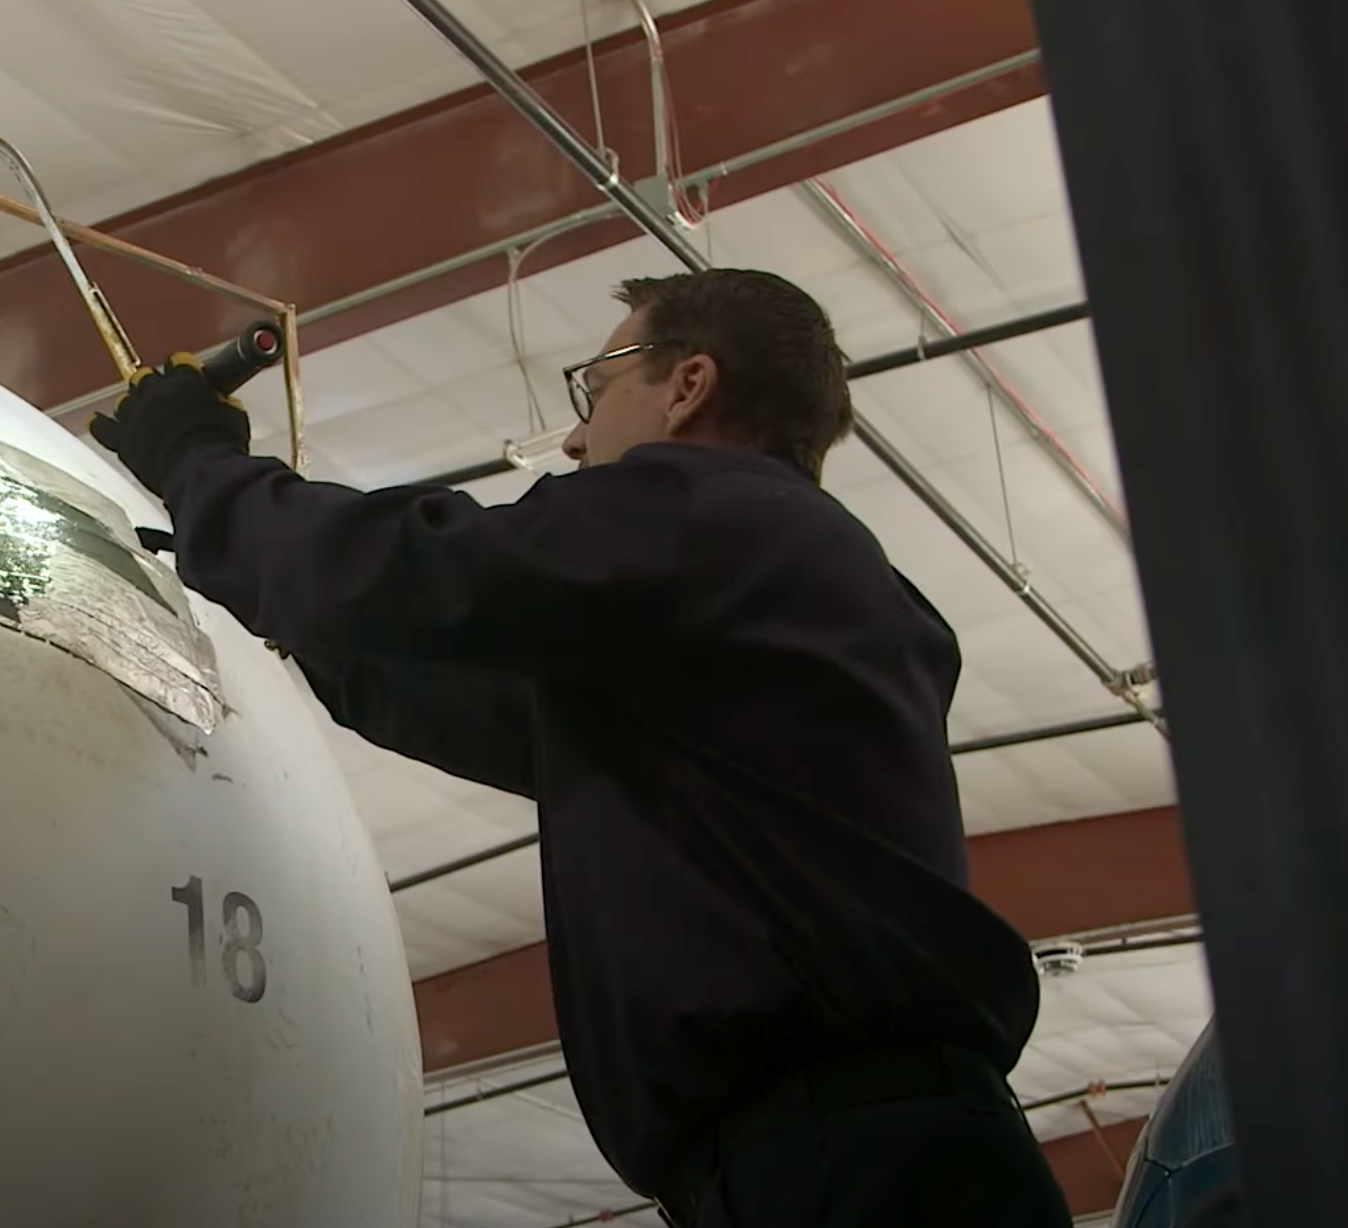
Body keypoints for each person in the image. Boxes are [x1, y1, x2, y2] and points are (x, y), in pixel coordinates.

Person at [88, 269, 1072, 1228]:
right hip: (838, 1157)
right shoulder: (740, 606)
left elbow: (423, 572)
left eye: (593, 393)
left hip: (844, 1165)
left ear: (687, 387)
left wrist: (198, 462)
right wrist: (277, 590)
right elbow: (454, 693)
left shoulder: (709, 515)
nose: (571, 434)